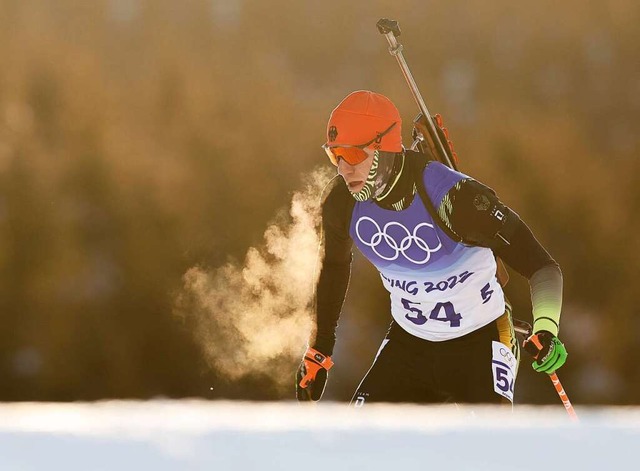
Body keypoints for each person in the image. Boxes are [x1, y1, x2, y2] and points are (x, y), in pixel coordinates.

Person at [296, 90, 567, 406]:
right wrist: (320, 349)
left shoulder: (454, 198)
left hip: (481, 340)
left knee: (486, 449)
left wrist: (547, 328)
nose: (343, 169)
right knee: (364, 444)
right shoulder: (341, 203)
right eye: (334, 155)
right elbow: (334, 266)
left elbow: (542, 266)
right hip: (409, 343)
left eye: (354, 155)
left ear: (384, 148)